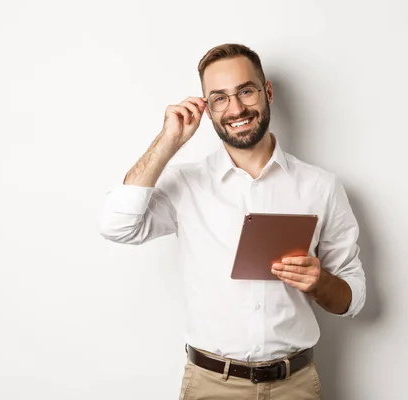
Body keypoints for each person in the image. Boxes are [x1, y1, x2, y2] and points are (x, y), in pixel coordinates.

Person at [98, 43, 366, 400]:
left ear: (266, 92)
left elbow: (353, 297)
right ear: (207, 109)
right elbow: (117, 226)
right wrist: (168, 140)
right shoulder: (185, 184)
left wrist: (319, 282)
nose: (236, 108)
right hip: (211, 386)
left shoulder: (321, 186)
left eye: (245, 91)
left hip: (296, 386)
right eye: (219, 98)